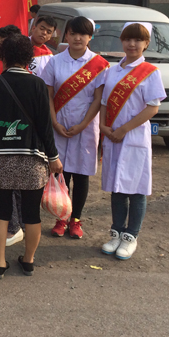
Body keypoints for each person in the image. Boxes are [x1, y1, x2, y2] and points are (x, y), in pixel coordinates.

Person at [0, 35, 62, 279]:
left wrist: (0, 119)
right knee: (32, 214)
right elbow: (45, 126)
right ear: (28, 58)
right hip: (32, 158)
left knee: (2, 211)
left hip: (1, 157)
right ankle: (28, 261)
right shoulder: (37, 84)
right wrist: (54, 156)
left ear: (3, 56)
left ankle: (0, 263)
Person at [100, 22, 166, 260]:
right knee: (117, 187)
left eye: (138, 40)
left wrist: (124, 129)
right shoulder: (112, 71)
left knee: (136, 189)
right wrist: (103, 126)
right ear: (121, 41)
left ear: (146, 43)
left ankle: (131, 236)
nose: (132, 44)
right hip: (113, 136)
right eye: (128, 39)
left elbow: (152, 108)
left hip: (134, 137)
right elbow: (104, 102)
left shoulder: (150, 72)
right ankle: (116, 232)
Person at [42, 17, 109, 239]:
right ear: (66, 35)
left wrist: (83, 125)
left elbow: (98, 99)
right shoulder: (55, 62)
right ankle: (61, 217)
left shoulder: (99, 64)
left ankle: (76, 220)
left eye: (83, 34)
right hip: (59, 124)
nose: (77, 38)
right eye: (73, 33)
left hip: (86, 127)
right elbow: (48, 95)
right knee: (61, 173)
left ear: (90, 37)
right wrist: (54, 122)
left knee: (81, 175)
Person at [0, 24, 25, 245]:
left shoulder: (29, 75)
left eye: (4, 45)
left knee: (15, 184)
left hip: (20, 137)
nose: (0, 49)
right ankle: (18, 225)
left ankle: (15, 227)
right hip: (10, 136)